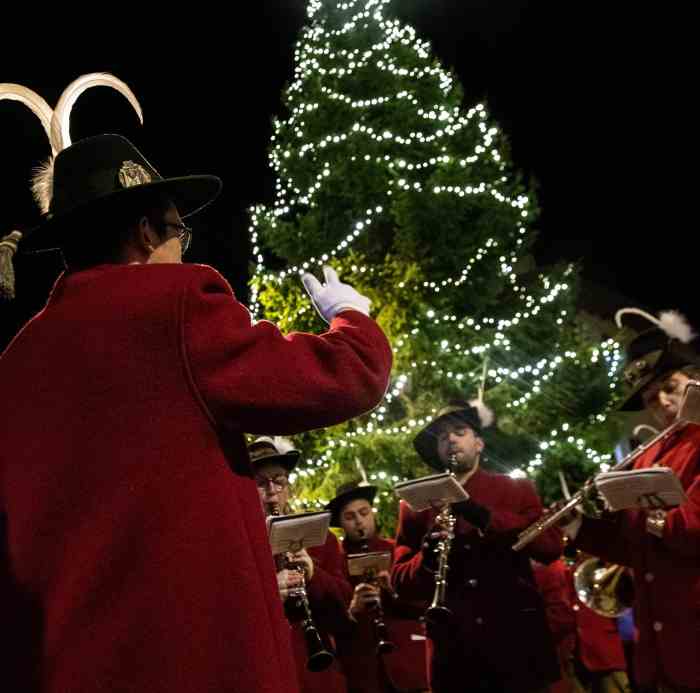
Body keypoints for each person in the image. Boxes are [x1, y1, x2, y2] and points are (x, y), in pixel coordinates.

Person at [0, 126, 392, 691]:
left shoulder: (17, 360)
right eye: (179, 229)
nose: (184, 245)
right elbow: (342, 379)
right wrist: (353, 319)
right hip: (196, 652)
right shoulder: (175, 305)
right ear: (144, 231)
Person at [566, 309, 700, 693]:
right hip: (657, 652)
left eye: (668, 387)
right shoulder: (646, 457)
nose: (659, 401)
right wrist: (577, 526)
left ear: (692, 380)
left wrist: (655, 518)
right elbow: (632, 548)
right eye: (649, 396)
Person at [392, 398, 562, 693]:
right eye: (442, 437)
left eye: (459, 431)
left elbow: (549, 546)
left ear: (479, 444)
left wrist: (483, 516)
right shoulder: (414, 505)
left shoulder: (516, 488)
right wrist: (427, 558)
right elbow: (399, 582)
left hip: (516, 646)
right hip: (455, 654)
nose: (451, 439)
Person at [251, 437, 354, 693]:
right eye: (261, 483)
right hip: (268, 673)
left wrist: (313, 574)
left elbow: (345, 616)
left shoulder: (321, 538)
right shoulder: (240, 544)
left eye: (279, 480)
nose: (272, 491)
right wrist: (268, 591)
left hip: (318, 677)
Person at [327, 480, 429, 693]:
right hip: (364, 672)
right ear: (340, 523)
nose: (359, 521)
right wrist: (352, 610)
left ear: (372, 513)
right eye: (349, 516)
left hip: (408, 667)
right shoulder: (334, 561)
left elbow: (423, 606)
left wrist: (393, 591)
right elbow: (329, 622)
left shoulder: (397, 551)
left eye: (364, 512)